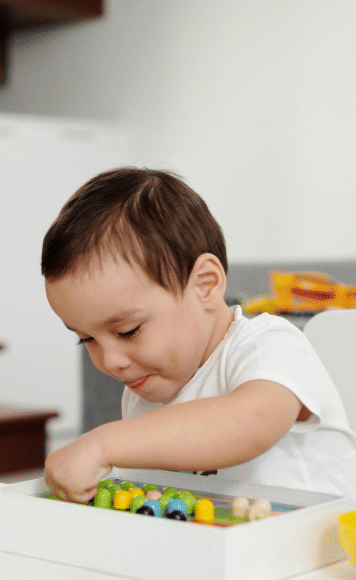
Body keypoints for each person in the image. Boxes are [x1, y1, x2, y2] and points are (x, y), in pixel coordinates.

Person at [41, 167, 356, 502]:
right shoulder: (144, 391)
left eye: (128, 331)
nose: (110, 361)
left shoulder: (269, 345)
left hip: (323, 548)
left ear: (205, 285)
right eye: (86, 339)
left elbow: (249, 422)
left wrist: (102, 445)